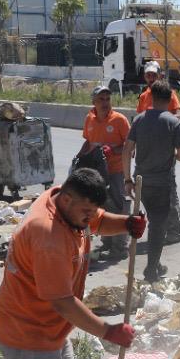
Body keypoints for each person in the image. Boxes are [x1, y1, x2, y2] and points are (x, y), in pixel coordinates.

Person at [0, 166, 145, 359]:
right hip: (29, 333)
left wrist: (126, 224)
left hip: (52, 330)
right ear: (67, 199)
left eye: (94, 209)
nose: (91, 216)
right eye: (86, 210)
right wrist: (107, 331)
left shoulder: (69, 206)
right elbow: (62, 302)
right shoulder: (48, 235)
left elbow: (97, 221)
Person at [127, 79, 180, 282]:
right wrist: (170, 152)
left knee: (154, 222)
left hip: (141, 182)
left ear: (151, 98)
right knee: (158, 226)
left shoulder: (139, 120)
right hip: (162, 183)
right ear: (170, 99)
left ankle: (155, 264)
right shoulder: (174, 123)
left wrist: (127, 179)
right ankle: (151, 269)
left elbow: (127, 150)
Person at [77, 85, 132, 259]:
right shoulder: (89, 119)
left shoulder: (119, 120)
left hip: (116, 172)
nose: (105, 102)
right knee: (100, 207)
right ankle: (108, 243)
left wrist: (113, 150)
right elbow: (88, 142)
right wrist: (80, 157)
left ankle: (120, 248)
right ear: (93, 102)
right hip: (97, 173)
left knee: (118, 207)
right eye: (101, 99)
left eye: (108, 99)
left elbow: (131, 148)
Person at [136, 61, 180, 245]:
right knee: (151, 192)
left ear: (160, 75)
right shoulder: (143, 96)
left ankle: (175, 231)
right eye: (148, 75)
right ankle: (160, 228)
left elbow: (178, 116)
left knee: (168, 191)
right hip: (147, 153)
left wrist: (161, 123)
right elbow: (139, 121)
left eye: (153, 75)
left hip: (165, 152)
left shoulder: (168, 94)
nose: (150, 78)